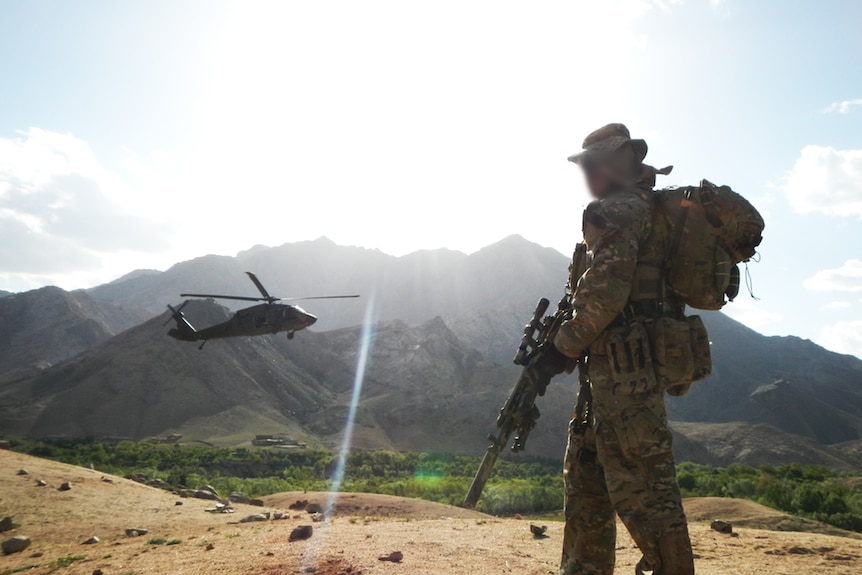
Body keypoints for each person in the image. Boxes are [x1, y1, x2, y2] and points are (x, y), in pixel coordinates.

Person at [546, 123, 695, 575]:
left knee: (647, 494)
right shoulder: (647, 209)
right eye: (584, 165)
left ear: (619, 162)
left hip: (626, 381)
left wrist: (561, 349)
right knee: (587, 479)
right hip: (612, 373)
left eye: (595, 163)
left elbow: (604, 293)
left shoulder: (619, 211)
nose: (589, 173)